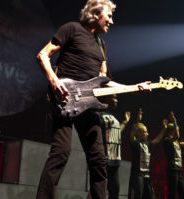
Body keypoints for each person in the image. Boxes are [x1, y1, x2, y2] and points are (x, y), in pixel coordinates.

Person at [35, 1, 150, 198]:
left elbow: (103, 83)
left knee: (98, 161)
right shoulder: (71, 29)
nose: (112, 22)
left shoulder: (101, 45)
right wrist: (54, 82)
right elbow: (43, 55)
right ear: (95, 14)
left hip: (89, 106)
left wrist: (133, 89)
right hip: (64, 99)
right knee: (61, 153)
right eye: (109, 16)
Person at [128, 108, 167, 199]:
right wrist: (138, 121)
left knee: (150, 196)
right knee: (138, 195)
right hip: (138, 176)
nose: (148, 134)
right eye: (145, 132)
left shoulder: (147, 144)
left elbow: (157, 140)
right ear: (139, 133)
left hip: (147, 176)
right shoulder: (136, 144)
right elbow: (132, 135)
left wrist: (164, 129)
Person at [99, 95, 131, 199]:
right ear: (106, 98)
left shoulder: (111, 116)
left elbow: (116, 132)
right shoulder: (100, 115)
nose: (116, 100)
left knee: (115, 191)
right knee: (99, 190)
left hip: (115, 159)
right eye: (114, 97)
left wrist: (125, 122)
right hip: (105, 158)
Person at [163, 111, 184, 199]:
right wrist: (174, 120)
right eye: (176, 129)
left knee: (183, 194)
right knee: (172, 193)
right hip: (172, 169)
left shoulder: (177, 142)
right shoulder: (167, 140)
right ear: (172, 131)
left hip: (179, 170)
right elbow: (177, 136)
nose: (177, 130)